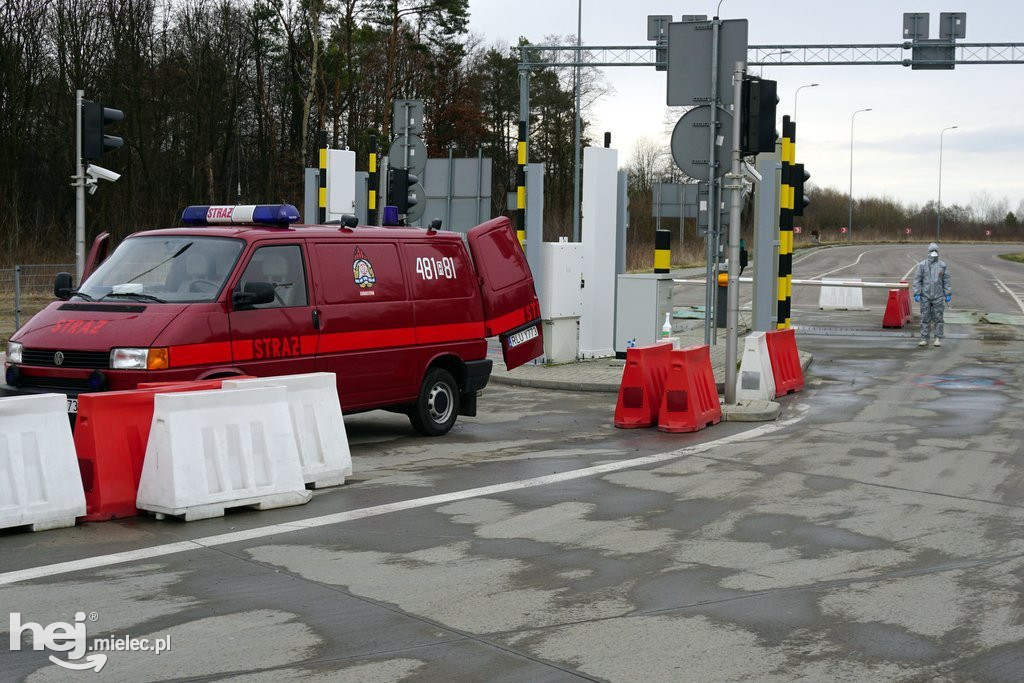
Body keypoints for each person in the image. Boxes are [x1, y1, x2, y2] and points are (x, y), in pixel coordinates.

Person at [911, 242, 952, 347]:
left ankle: (938, 338)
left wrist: (947, 294)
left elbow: (946, 281)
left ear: (938, 252)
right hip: (925, 296)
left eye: (935, 251)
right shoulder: (922, 265)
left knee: (938, 318)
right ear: (928, 252)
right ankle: (924, 338)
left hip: (938, 296)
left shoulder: (942, 265)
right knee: (925, 318)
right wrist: (917, 293)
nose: (934, 253)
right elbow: (917, 280)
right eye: (931, 251)